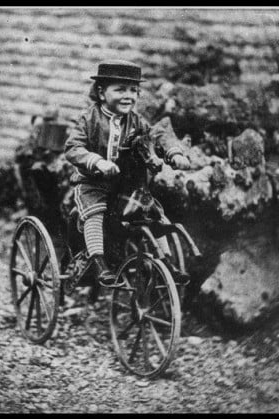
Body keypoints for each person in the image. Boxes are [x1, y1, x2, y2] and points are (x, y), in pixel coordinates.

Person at [64, 60, 190, 287]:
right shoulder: (89, 119)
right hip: (93, 183)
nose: (128, 96)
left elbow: (158, 136)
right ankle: (100, 264)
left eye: (133, 90)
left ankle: (167, 262)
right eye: (120, 89)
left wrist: (174, 154)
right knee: (94, 212)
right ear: (102, 93)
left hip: (124, 186)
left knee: (152, 212)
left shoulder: (137, 122)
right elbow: (73, 148)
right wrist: (97, 162)